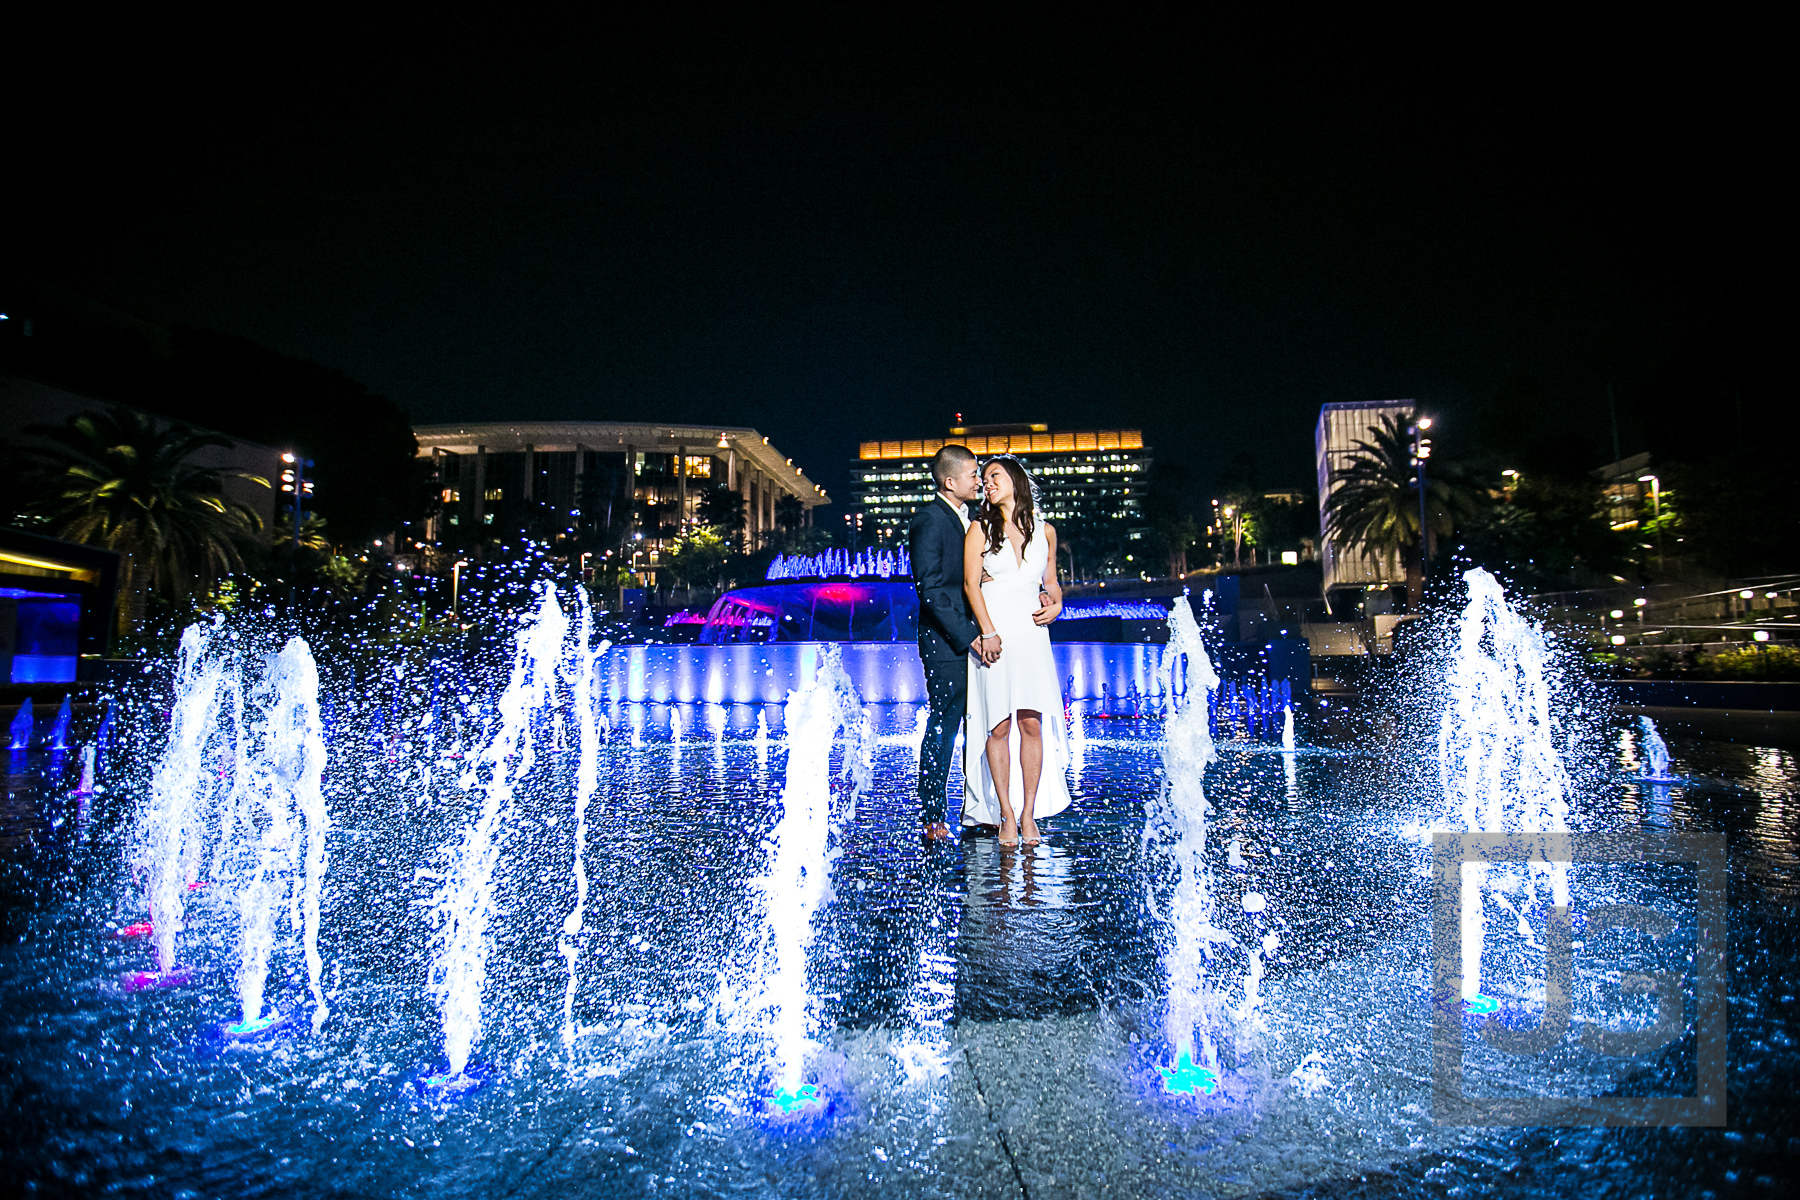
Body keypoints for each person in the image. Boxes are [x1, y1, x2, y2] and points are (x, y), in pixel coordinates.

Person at [961, 456, 1071, 846]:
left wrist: (1057, 604)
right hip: (995, 635)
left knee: (1030, 725)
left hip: (1032, 635)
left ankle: (1028, 815)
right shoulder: (979, 530)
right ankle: (1005, 814)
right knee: (999, 726)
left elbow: (1051, 582)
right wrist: (987, 632)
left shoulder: (1046, 532)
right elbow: (972, 586)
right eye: (984, 478)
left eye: (994, 476)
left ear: (1016, 481)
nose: (986, 483)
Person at [908, 444, 986, 842]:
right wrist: (970, 635)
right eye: (974, 474)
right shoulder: (929, 520)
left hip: (973, 638)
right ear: (950, 481)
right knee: (944, 724)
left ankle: (978, 805)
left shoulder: (968, 518)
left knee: (982, 723)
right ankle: (933, 814)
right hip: (946, 643)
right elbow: (931, 590)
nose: (979, 480)